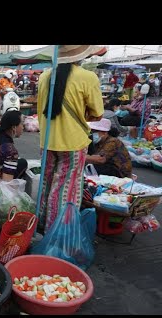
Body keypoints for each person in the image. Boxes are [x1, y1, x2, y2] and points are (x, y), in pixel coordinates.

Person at [37, 45, 104, 233]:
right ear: (81, 55)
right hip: (73, 143)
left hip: (47, 141)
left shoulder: (44, 76)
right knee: (64, 190)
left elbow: (42, 110)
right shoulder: (88, 77)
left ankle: (41, 226)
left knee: (46, 185)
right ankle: (56, 232)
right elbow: (97, 114)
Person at [0, 107, 27, 179]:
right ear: (14, 127)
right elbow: (7, 181)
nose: (23, 127)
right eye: (22, 124)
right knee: (22, 163)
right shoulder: (10, 150)